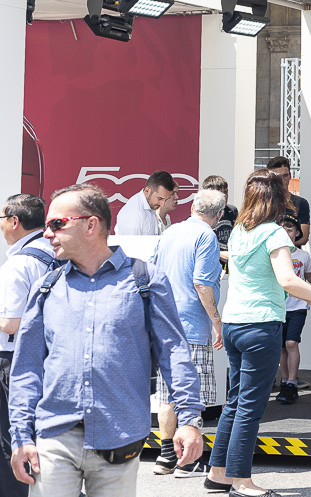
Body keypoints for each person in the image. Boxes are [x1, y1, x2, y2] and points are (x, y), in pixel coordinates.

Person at [9, 183, 205, 496]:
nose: (47, 233)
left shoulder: (145, 280)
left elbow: (174, 353)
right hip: (55, 434)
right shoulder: (46, 288)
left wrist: (189, 419)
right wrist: (21, 437)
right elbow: (26, 369)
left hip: (120, 436)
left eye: (57, 224)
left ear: (91, 225)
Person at [206, 169, 311, 497]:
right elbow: (287, 280)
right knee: (250, 407)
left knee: (235, 402)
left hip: (234, 323)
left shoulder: (240, 231)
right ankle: (242, 481)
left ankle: (218, 473)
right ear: (278, 198)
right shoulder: (274, 234)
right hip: (260, 326)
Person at [150, 188, 226, 478]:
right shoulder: (206, 236)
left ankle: (166, 456)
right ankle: (189, 461)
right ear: (219, 215)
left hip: (164, 322)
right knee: (192, 394)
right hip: (192, 324)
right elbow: (202, 284)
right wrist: (217, 322)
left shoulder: (170, 232)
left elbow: (153, 272)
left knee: (167, 393)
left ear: (193, 206)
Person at [0, 194, 52, 497]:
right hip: (48, 356)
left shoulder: (19, 264)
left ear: (14, 221)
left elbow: (10, 323)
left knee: (12, 438)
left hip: (15, 359)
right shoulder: (54, 252)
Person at [276, 216, 311, 405]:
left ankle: (292, 382)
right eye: (282, 229)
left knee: (291, 343)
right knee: (282, 346)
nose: (286, 233)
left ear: (297, 233)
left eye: (290, 229)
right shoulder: (274, 255)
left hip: (298, 306)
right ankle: (284, 381)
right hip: (279, 307)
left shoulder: (303, 256)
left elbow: (309, 276)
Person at [114, 170, 177, 235]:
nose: (162, 204)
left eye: (166, 199)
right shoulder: (135, 214)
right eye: (160, 198)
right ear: (147, 191)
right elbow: (129, 241)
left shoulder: (150, 205)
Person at [267, 156, 310, 246]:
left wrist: (284, 247)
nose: (282, 180)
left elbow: (304, 238)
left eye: (285, 175)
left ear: (290, 176)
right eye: (278, 177)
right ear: (271, 178)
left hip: (292, 253)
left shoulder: (301, 203)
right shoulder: (264, 203)